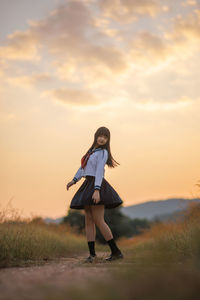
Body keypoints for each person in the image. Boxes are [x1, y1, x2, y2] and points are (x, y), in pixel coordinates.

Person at [66, 126, 124, 263]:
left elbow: (99, 171)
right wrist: (73, 180)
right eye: (100, 135)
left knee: (99, 220)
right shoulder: (91, 152)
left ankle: (116, 252)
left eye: (105, 136)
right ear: (96, 136)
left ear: (108, 140)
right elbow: (83, 168)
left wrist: (97, 190)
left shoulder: (103, 153)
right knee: (88, 220)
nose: (102, 138)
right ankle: (92, 255)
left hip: (96, 184)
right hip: (87, 184)